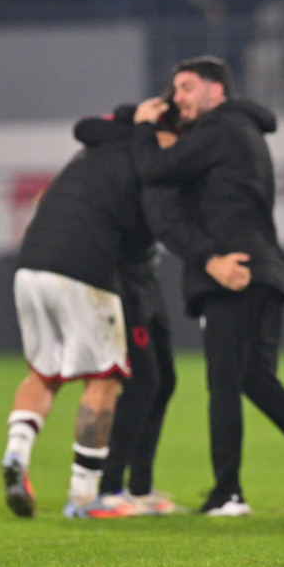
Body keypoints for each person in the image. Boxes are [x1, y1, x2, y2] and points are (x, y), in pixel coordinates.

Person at [132, 56, 284, 516]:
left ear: (217, 91)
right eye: (174, 89)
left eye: (187, 87)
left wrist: (142, 126)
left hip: (234, 269)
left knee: (225, 382)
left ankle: (229, 492)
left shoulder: (220, 127)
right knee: (252, 377)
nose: (178, 98)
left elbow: (155, 169)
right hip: (263, 267)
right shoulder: (241, 130)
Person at [1, 106, 154, 519]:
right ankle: (84, 496)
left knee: (43, 373)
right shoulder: (144, 161)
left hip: (30, 264)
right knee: (105, 379)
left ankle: (16, 453)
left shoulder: (91, 150)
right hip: (83, 271)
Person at [74, 110, 182, 517]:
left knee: (163, 380)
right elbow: (84, 128)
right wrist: (140, 121)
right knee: (142, 382)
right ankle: (110, 486)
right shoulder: (133, 140)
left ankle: (138, 486)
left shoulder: (164, 157)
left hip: (145, 278)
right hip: (120, 280)